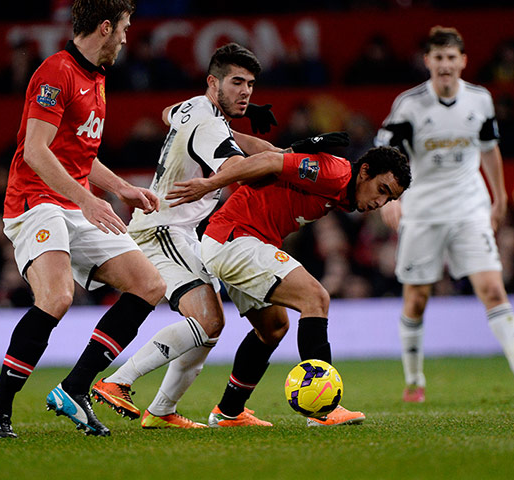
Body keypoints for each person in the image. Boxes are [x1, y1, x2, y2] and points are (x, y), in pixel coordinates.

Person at [0, 0, 167, 439]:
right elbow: (36, 152)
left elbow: (81, 154)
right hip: (34, 201)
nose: (126, 37)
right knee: (58, 296)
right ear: (105, 27)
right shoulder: (54, 72)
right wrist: (87, 200)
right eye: (124, 28)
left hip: (71, 202)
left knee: (149, 284)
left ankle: (75, 388)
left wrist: (120, 189)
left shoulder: (97, 79)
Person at [89, 42, 280, 429]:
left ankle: (161, 411)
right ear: (214, 82)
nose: (246, 92)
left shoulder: (194, 105)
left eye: (251, 85)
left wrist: (246, 135)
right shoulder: (209, 124)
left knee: (211, 326)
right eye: (237, 83)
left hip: (178, 230)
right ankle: (116, 381)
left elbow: (167, 112)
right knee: (207, 319)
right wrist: (287, 160)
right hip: (163, 229)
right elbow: (238, 168)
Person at [167, 142, 411, 427]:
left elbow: (280, 153)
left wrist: (232, 132)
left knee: (273, 328)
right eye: (382, 190)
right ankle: (323, 409)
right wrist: (209, 184)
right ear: (365, 171)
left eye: (389, 199)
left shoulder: (341, 186)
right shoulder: (335, 172)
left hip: (230, 240)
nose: (380, 203)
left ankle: (228, 412)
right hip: (237, 239)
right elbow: (272, 160)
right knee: (315, 298)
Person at [374, 26, 514, 403]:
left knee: (491, 288)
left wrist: (499, 197)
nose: (445, 65)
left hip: (469, 207)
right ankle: (414, 381)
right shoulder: (410, 105)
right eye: (438, 58)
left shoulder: (480, 100)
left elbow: (489, 149)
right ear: (428, 61)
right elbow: (383, 153)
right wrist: (389, 198)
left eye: (451, 58)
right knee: (417, 299)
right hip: (422, 211)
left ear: (463, 61)